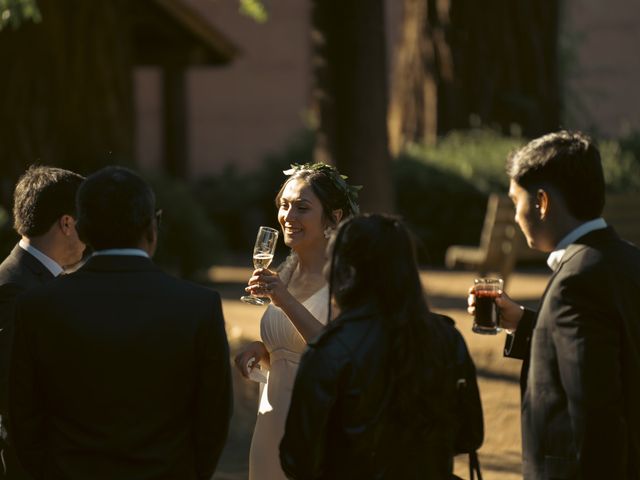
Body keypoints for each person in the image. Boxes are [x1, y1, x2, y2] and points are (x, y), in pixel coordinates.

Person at [9, 166, 232, 480]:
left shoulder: (38, 306)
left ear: (81, 230)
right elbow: (213, 418)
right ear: (152, 230)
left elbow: (23, 416)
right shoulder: (198, 306)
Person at [470, 131, 640, 479]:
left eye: (516, 201)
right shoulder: (627, 260)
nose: (517, 217)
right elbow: (613, 349)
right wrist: (524, 322)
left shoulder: (575, 282)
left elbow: (595, 413)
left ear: (542, 203)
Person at [280, 214, 483, 479]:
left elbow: (298, 460)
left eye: (332, 260)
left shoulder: (329, 351)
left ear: (347, 272)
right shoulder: (447, 337)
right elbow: (470, 436)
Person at [234, 162, 360, 480]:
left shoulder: (347, 278)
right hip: (271, 422)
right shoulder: (287, 271)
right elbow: (291, 350)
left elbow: (337, 351)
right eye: (285, 206)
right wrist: (262, 351)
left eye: (302, 208)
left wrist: (283, 299)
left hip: (318, 424)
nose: (288, 218)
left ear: (335, 216)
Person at [0, 165, 85, 479]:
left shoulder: (35, 280)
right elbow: (13, 399)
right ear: (66, 223)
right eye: (85, 223)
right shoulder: (14, 290)